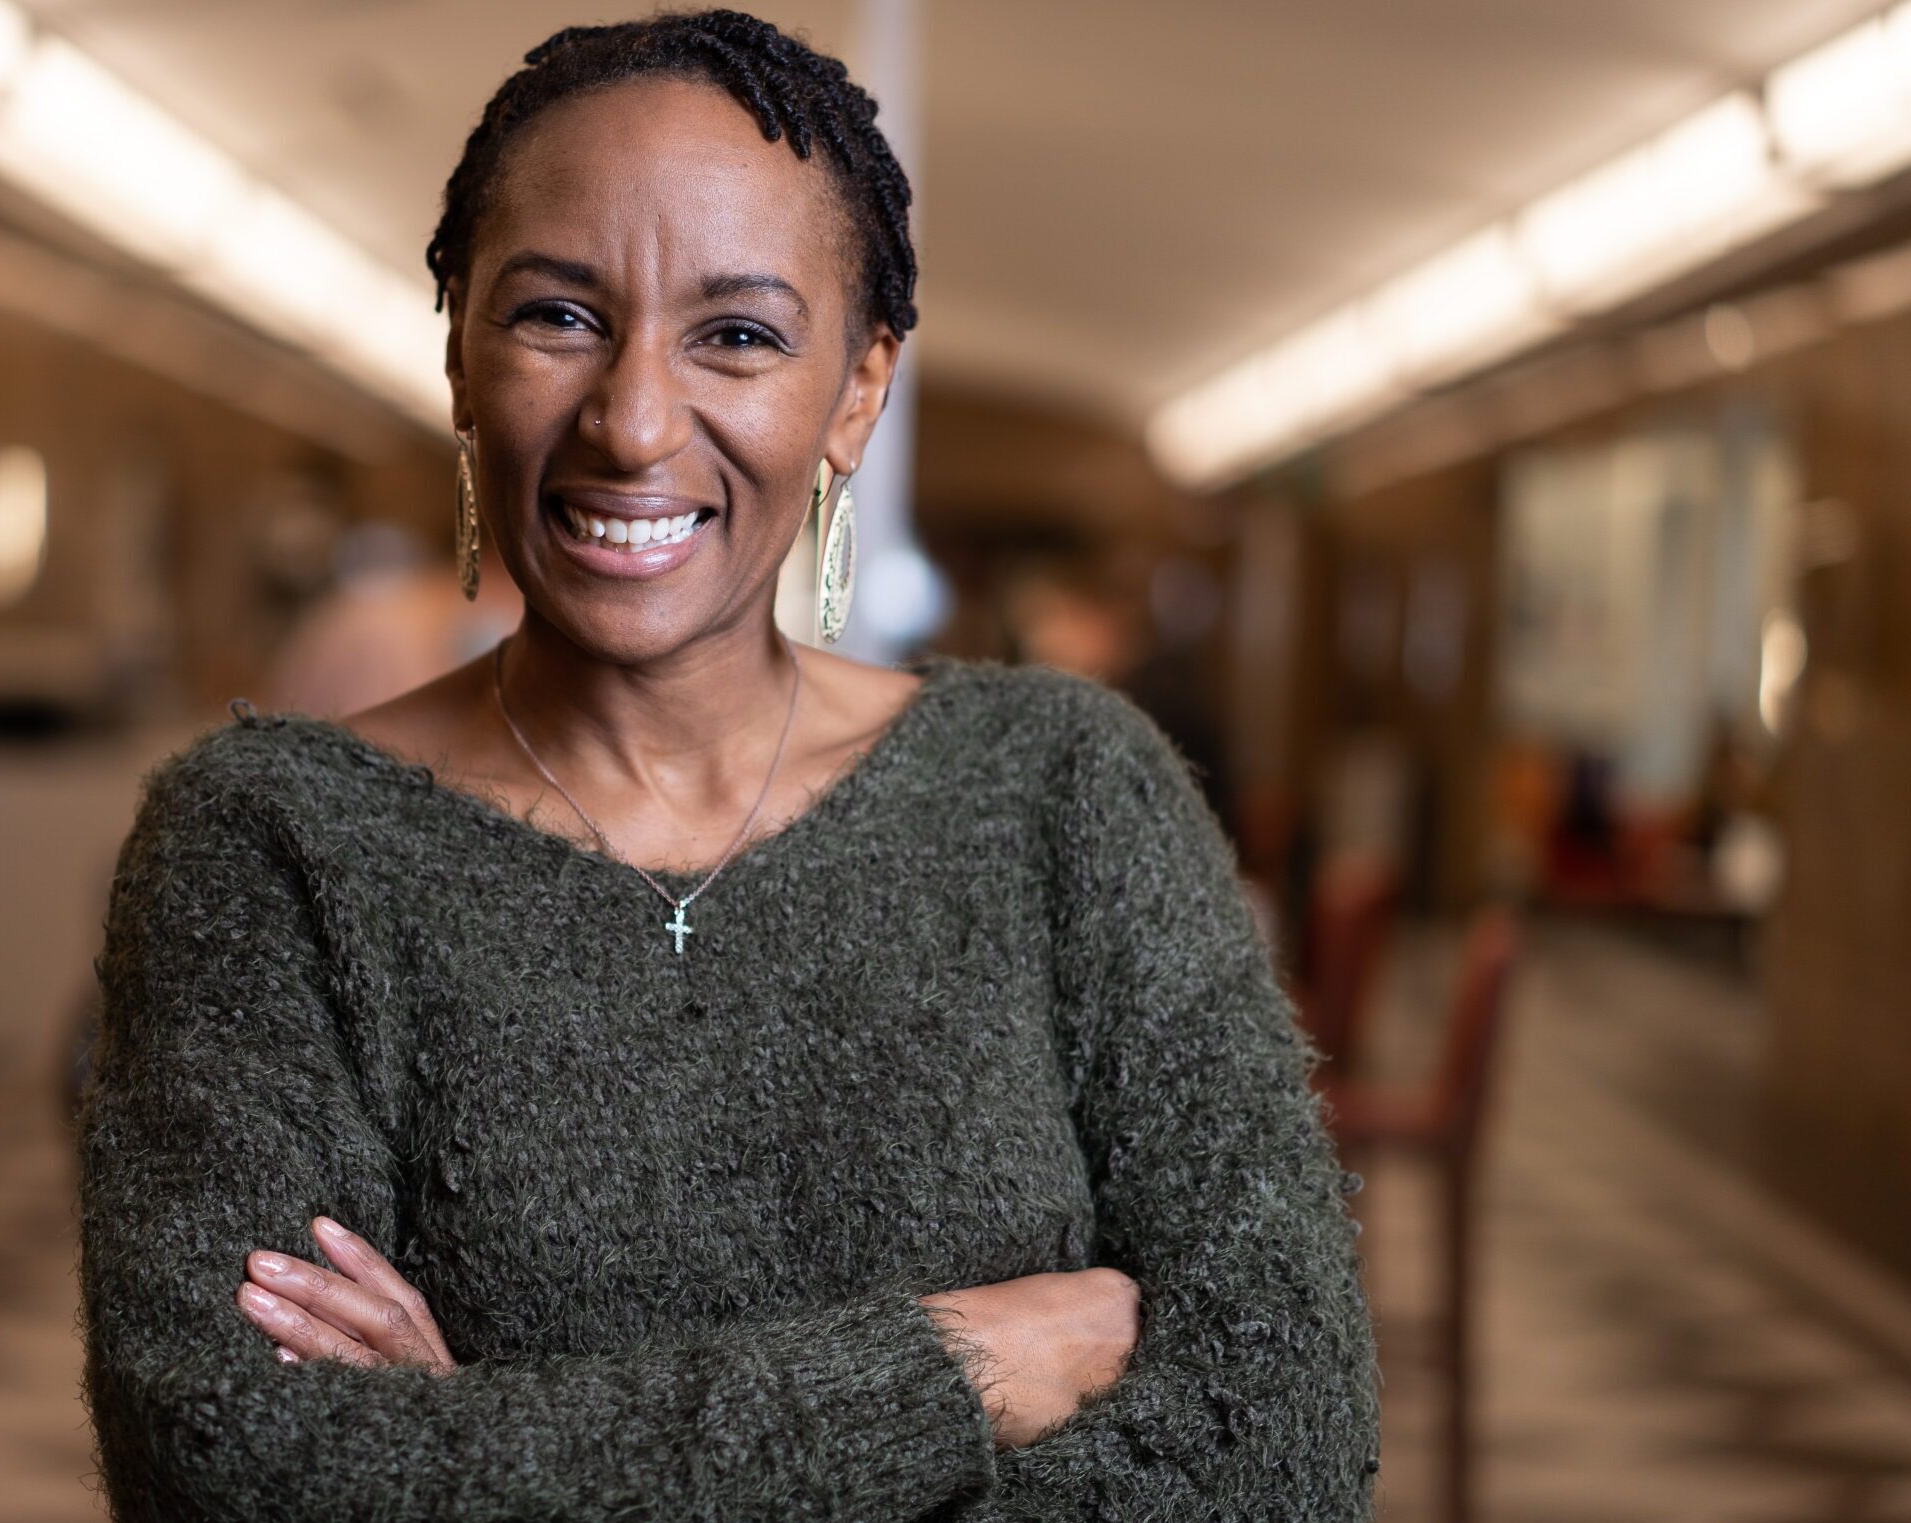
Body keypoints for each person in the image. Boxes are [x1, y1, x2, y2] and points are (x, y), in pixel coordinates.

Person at [76, 12, 1379, 1521]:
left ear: (856, 393)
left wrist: (483, 1446)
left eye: (740, 336)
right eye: (556, 316)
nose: (632, 422)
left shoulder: (1068, 792)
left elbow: (1280, 1444)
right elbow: (236, 1475)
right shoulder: (266, 844)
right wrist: (957, 1367)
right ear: (456, 356)